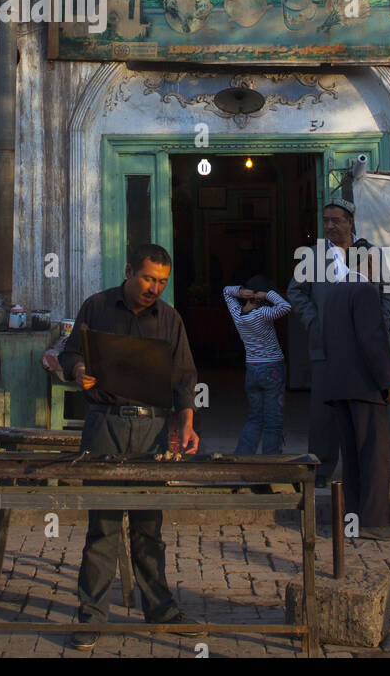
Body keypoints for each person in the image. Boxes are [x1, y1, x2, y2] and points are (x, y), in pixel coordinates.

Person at [58, 242, 199, 649]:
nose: (155, 288)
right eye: (148, 278)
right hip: (104, 427)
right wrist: (80, 369)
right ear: (129, 271)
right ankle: (91, 617)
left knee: (148, 529)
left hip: (151, 431)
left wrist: (186, 423)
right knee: (102, 528)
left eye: (162, 282)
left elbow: (185, 376)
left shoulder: (170, 320)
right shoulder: (96, 307)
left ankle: (161, 610)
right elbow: (68, 355)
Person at [287, 198, 390, 486]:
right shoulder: (314, 255)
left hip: (364, 347)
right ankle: (319, 471)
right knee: (324, 412)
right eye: (325, 220)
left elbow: (388, 295)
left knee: (363, 411)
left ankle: (359, 474)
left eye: (336, 220)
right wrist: (314, 323)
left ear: (350, 222)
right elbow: (296, 293)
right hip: (327, 346)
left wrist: (381, 325)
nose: (330, 226)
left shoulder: (369, 253)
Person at [319, 269, 390, 538]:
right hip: (364, 387)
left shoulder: (333, 293)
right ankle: (373, 523)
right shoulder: (364, 291)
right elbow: (372, 339)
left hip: (339, 386)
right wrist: (389, 381)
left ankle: (352, 519)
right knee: (374, 457)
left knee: (352, 457)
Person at [223, 274, 291, 455]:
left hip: (252, 370)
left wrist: (239, 291)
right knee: (273, 420)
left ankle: (243, 458)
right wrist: (268, 295)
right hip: (272, 369)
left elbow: (226, 292)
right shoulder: (263, 314)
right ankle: (271, 462)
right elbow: (285, 306)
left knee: (254, 418)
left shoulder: (238, 315)